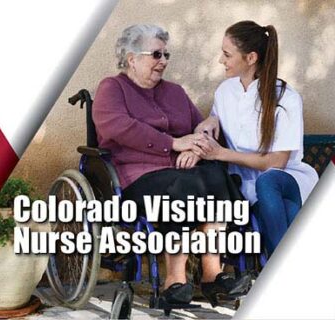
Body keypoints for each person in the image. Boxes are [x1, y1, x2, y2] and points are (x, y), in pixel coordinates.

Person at [92, 24, 250, 306]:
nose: (163, 61)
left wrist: (198, 149)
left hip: (183, 173)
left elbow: (199, 128)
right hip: (137, 178)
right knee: (187, 186)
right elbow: (119, 127)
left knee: (214, 175)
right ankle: (174, 280)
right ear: (132, 59)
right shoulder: (111, 89)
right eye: (156, 54)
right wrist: (174, 144)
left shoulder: (175, 92)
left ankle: (212, 275)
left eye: (166, 54)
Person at [195, 21, 319, 257]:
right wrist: (208, 123)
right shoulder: (224, 92)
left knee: (268, 183)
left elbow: (277, 163)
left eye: (227, 54)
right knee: (286, 211)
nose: (221, 60)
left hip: (287, 180)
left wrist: (221, 153)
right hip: (246, 187)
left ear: (250, 58)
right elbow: (214, 119)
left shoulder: (285, 97)